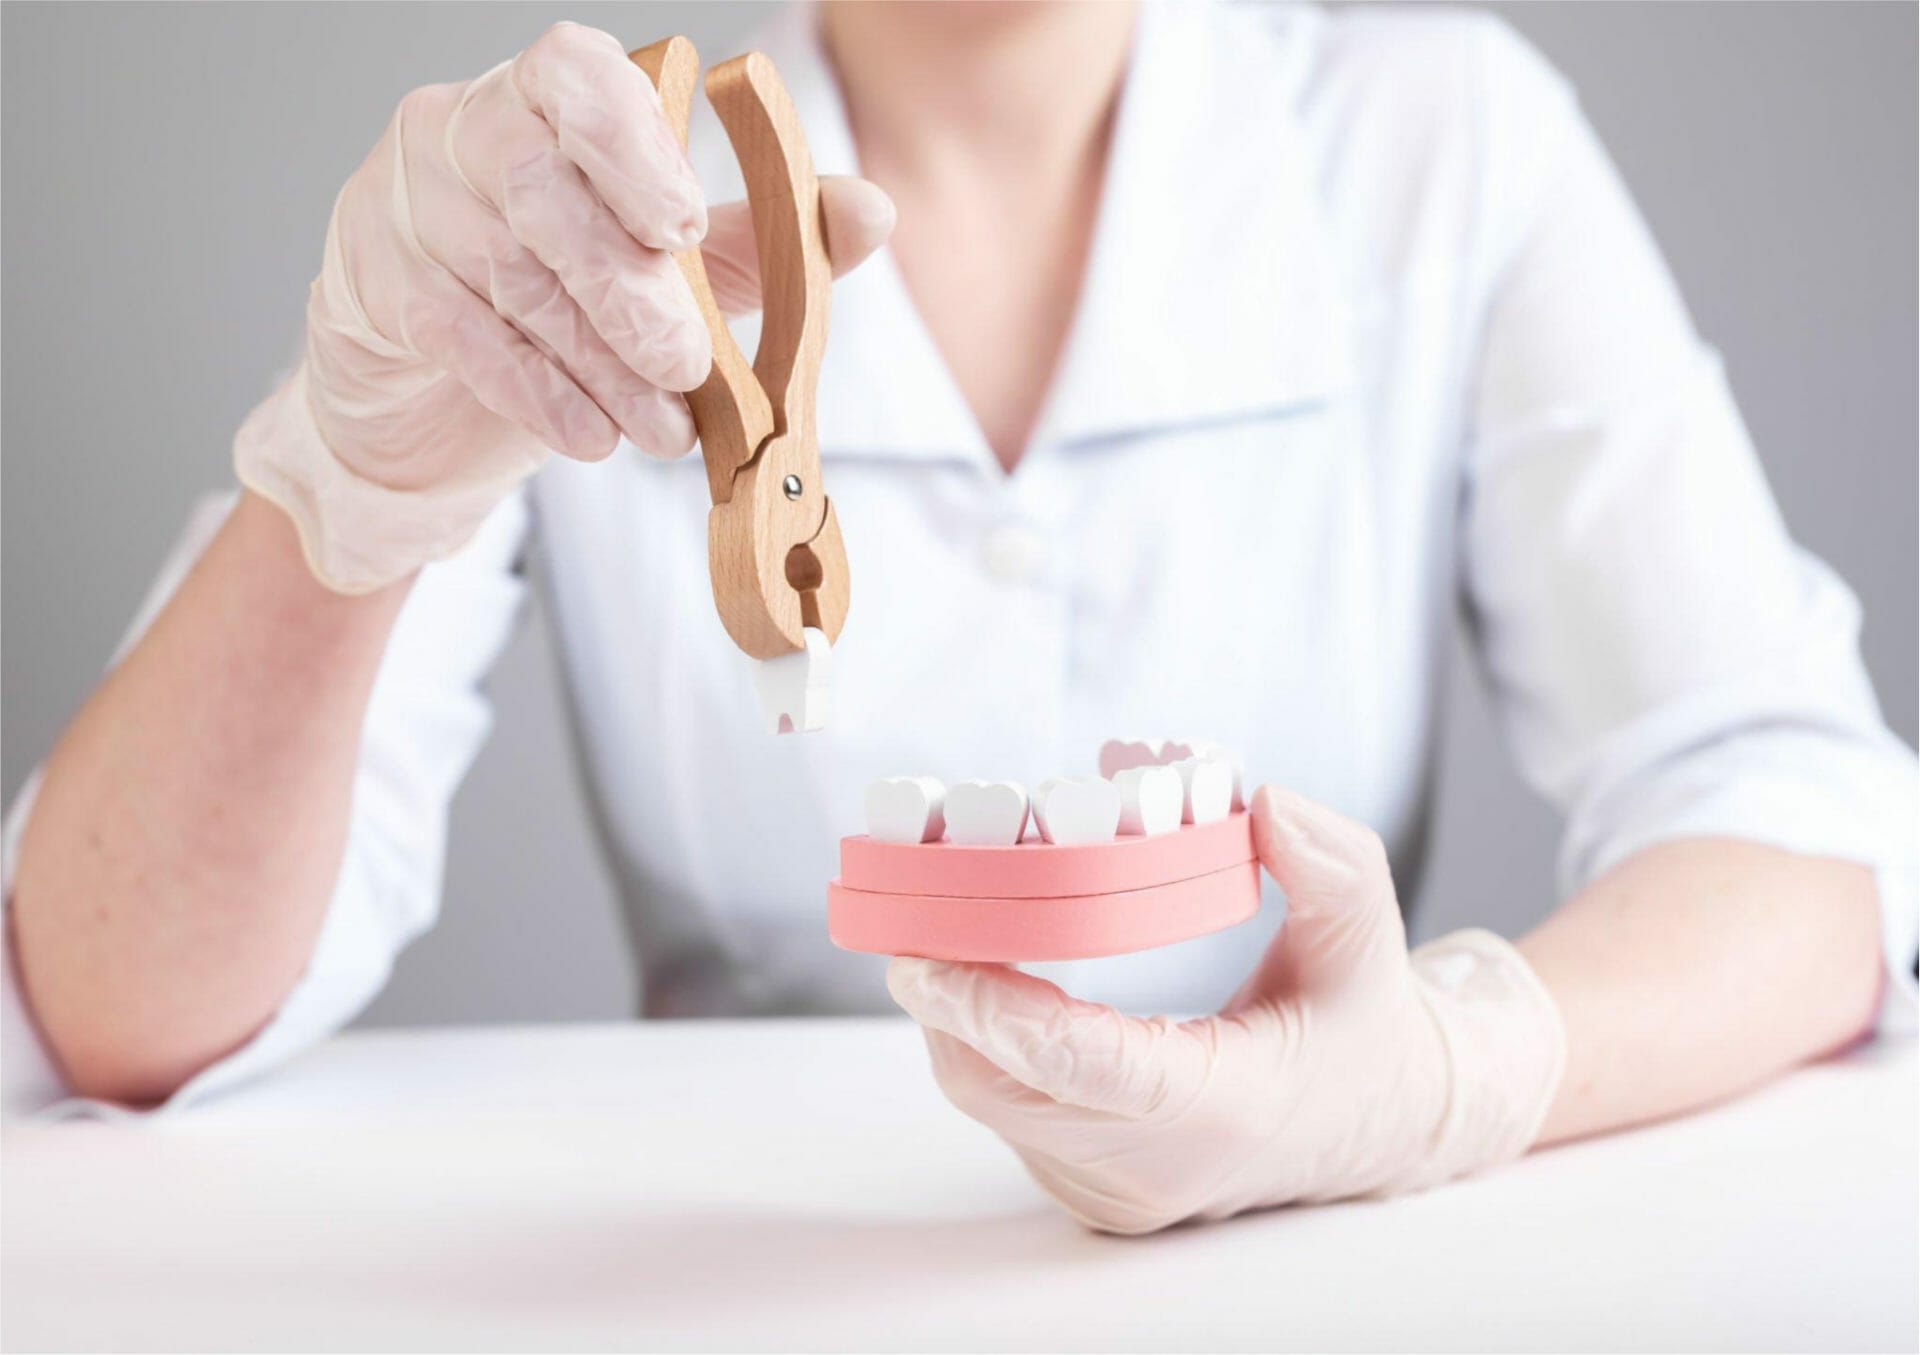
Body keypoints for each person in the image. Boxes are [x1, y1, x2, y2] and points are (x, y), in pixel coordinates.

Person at [4, 2, 1913, 1232]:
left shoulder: (1447, 142)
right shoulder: (567, 211)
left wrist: (1445, 1075)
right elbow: (110, 1002)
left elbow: (1805, 831)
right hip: (737, 1292)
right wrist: (341, 496)